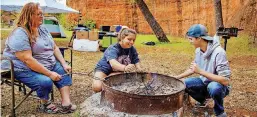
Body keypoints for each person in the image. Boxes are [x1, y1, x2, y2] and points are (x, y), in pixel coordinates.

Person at [2, 2, 76, 114]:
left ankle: (66, 103)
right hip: (22, 68)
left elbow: (54, 47)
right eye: (38, 14)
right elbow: (27, 60)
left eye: (42, 13)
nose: (42, 16)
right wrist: (50, 74)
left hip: (47, 63)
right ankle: (45, 104)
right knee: (45, 81)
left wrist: (64, 63)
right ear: (29, 15)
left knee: (63, 72)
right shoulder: (20, 33)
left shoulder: (42, 28)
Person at [174, 24, 231, 117]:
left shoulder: (219, 52)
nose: (189, 42)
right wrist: (177, 77)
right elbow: (193, 69)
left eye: (191, 39)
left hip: (219, 86)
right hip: (205, 82)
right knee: (183, 83)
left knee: (214, 87)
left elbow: (225, 80)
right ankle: (203, 101)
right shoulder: (198, 51)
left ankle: (220, 112)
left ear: (199, 38)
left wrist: (200, 71)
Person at [92, 27, 143, 92]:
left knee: (117, 86)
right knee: (97, 87)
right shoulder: (113, 48)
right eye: (129, 39)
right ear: (122, 38)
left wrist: (139, 68)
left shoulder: (132, 49)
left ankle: (109, 79)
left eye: (133, 40)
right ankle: (103, 80)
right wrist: (125, 68)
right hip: (104, 69)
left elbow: (136, 60)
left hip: (117, 71)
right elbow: (113, 64)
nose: (132, 42)